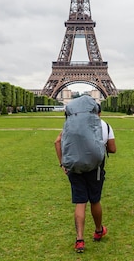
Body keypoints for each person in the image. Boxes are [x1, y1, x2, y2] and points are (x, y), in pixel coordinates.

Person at [54, 103, 117, 253]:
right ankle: (98, 230)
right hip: (95, 168)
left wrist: (62, 164)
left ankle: (80, 240)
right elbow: (113, 149)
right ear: (99, 113)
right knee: (95, 200)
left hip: (75, 167)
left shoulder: (73, 124)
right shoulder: (104, 125)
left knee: (80, 202)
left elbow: (57, 142)